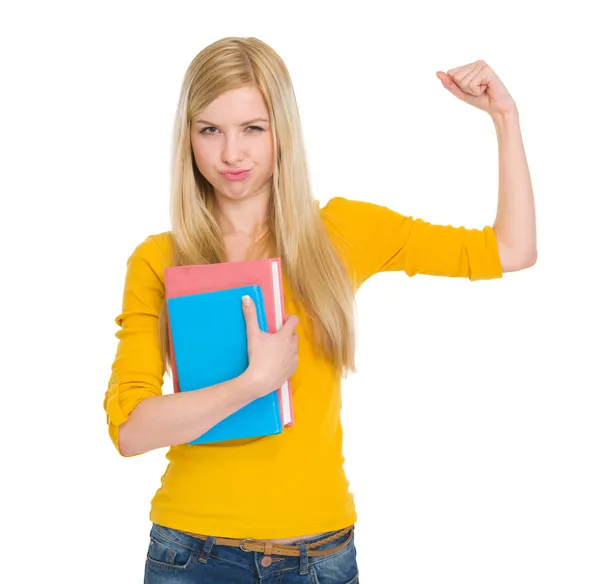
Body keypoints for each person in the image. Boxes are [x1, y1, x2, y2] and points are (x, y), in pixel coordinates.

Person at [103, 37, 536, 583]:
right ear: (187, 137)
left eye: (252, 129)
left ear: (282, 129)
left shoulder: (343, 233)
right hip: (192, 555)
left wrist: (505, 118)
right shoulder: (157, 260)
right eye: (210, 130)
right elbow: (130, 430)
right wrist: (252, 383)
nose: (231, 153)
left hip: (319, 558)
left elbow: (512, 250)